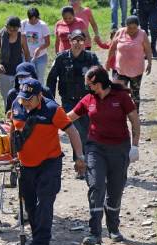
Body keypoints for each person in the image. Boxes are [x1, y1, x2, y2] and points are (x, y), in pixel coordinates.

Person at [11, 78, 86, 245]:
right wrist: (12, 156)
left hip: (49, 163)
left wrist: (80, 157)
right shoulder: (17, 105)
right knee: (30, 205)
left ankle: (41, 244)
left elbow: (72, 131)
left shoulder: (52, 109)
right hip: (26, 165)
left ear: (39, 96)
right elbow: (13, 131)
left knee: (44, 203)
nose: (25, 102)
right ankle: (36, 239)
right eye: (23, 98)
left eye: (30, 99)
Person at [67, 66, 140, 245]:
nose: (87, 87)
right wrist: (47, 119)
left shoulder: (121, 97)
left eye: (89, 84)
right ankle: (95, 233)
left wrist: (135, 146)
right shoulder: (88, 100)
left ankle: (113, 228)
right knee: (96, 186)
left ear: (98, 83)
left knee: (115, 192)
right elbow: (68, 118)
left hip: (119, 149)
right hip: (95, 149)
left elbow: (135, 121)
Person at [47, 29, 99, 179]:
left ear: (85, 42)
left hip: (87, 101)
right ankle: (80, 164)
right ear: (69, 42)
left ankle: (87, 162)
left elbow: (101, 76)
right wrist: (50, 100)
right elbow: (51, 79)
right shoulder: (61, 58)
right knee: (76, 131)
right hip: (68, 102)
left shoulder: (91, 58)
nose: (77, 44)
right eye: (74, 41)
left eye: (81, 40)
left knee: (87, 132)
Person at [105, 15, 152, 112]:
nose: (132, 30)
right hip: (121, 70)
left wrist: (150, 63)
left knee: (135, 93)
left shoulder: (142, 34)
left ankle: (135, 114)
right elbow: (112, 48)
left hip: (136, 70)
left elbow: (148, 49)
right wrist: (108, 61)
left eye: (135, 27)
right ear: (125, 26)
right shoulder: (120, 32)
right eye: (129, 27)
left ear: (138, 26)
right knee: (119, 93)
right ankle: (121, 114)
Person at [0, 16, 30, 108]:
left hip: (18, 73)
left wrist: (26, 69)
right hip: (4, 72)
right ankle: (8, 116)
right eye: (9, 29)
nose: (12, 32)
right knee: (6, 97)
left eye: (15, 30)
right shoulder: (0, 36)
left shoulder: (22, 37)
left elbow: (27, 54)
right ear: (6, 27)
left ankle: (19, 116)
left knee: (20, 97)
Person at [21, 7, 50, 85]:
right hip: (27, 56)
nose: (33, 21)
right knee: (27, 76)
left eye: (35, 19)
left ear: (38, 17)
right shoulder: (23, 24)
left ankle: (40, 94)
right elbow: (20, 38)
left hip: (41, 56)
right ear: (28, 18)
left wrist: (39, 49)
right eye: (31, 19)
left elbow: (47, 42)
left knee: (40, 77)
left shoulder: (43, 25)